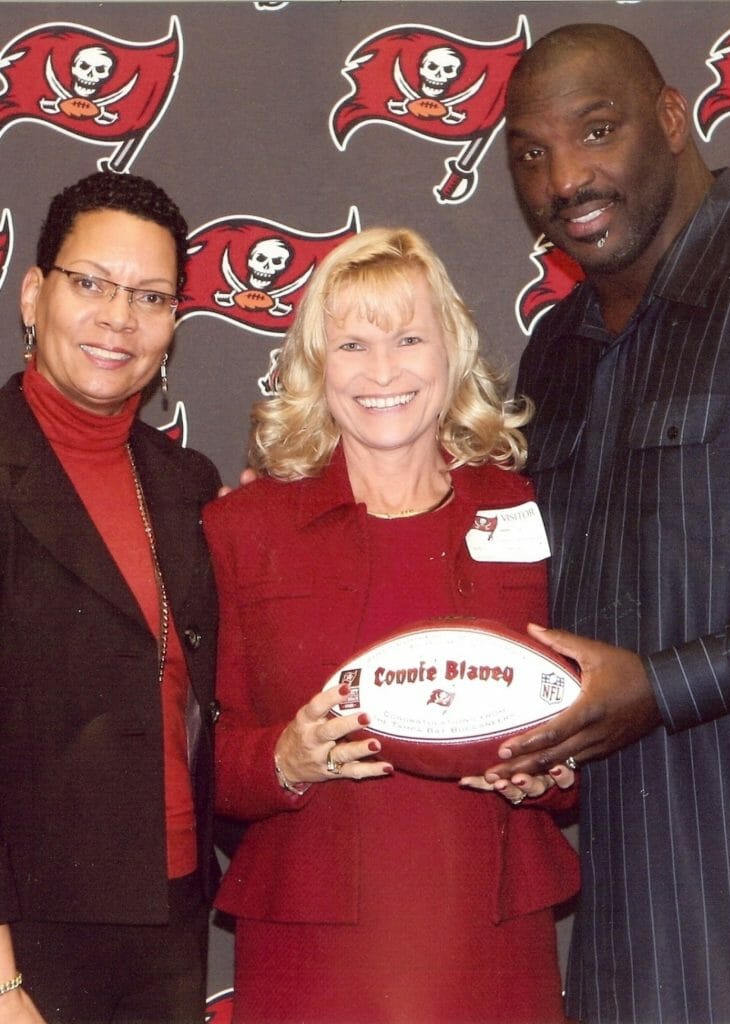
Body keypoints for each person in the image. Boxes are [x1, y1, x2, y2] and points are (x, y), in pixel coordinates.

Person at [203, 226, 579, 1024]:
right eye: (350, 343)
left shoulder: (521, 510)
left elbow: (586, 714)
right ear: (315, 366)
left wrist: (547, 772)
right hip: (314, 951)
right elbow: (208, 755)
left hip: (491, 938)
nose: (382, 371)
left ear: (451, 354)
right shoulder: (244, 527)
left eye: (408, 337)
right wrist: (286, 757)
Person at [490, 22, 730, 1024]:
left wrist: (660, 685)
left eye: (595, 133)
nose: (563, 181)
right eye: (531, 153)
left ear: (672, 120)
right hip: (622, 914)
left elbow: (645, 675)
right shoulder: (551, 353)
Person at [0, 171, 221, 1024]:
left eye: (150, 296)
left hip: (167, 913)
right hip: (29, 936)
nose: (118, 317)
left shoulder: (185, 484)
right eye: (90, 283)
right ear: (33, 294)